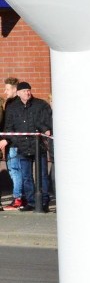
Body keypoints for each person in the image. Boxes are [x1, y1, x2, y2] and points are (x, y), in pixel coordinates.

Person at [0, 81, 52, 211]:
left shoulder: (41, 105)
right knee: (26, 176)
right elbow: (9, 128)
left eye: (29, 90)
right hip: (22, 147)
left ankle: (44, 201)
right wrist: (15, 141)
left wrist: (44, 129)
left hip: (39, 146)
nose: (27, 93)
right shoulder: (13, 108)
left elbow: (47, 123)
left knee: (42, 175)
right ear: (18, 93)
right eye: (24, 91)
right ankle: (31, 202)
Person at [1, 77, 22, 210]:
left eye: (7, 89)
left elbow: (14, 125)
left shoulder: (18, 104)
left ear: (15, 89)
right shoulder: (8, 103)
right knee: (12, 169)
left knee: (15, 170)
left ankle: (18, 198)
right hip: (9, 141)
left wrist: (7, 139)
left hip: (15, 142)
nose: (5, 91)